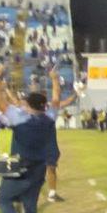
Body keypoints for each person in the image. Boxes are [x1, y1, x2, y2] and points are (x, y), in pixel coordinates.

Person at [0, 63, 56, 213]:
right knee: (30, 203)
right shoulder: (49, 117)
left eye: (25, 103)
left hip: (21, 166)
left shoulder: (20, 118)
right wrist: (54, 80)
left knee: (3, 199)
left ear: (28, 106)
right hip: (39, 166)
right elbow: (57, 99)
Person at [45, 69, 77, 203]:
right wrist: (55, 80)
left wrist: (76, 94)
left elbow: (63, 101)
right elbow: (58, 98)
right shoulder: (49, 112)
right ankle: (50, 193)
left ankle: (51, 193)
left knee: (50, 168)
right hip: (47, 144)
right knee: (50, 168)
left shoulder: (30, 111)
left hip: (39, 144)